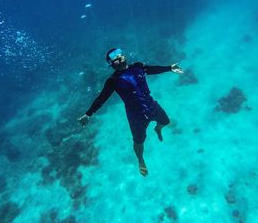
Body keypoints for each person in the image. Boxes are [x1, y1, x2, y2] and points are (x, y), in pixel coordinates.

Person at [78, 48, 183, 176]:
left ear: (124, 55)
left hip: (152, 106)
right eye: (113, 57)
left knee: (166, 121)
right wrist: (89, 114)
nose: (117, 57)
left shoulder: (138, 67)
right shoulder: (113, 81)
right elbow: (102, 98)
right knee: (139, 142)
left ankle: (157, 128)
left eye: (119, 53)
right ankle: (140, 160)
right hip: (136, 117)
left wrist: (169, 68)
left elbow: (152, 69)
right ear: (111, 64)